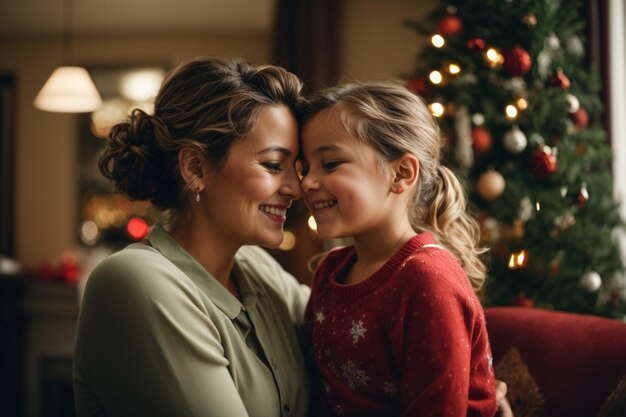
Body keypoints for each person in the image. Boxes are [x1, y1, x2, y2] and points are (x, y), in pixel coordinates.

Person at [73, 56, 311, 417]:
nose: (296, 187)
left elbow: (355, 339)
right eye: (274, 165)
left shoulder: (257, 269)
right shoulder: (135, 282)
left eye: (297, 168)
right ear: (195, 167)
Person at [300, 81, 498, 417]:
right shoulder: (330, 271)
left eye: (330, 164)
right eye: (305, 168)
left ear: (402, 174)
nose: (306, 182)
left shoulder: (428, 282)